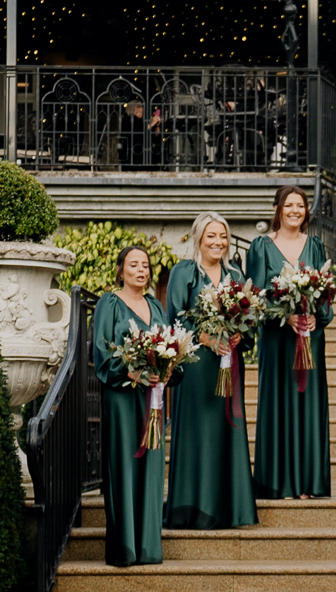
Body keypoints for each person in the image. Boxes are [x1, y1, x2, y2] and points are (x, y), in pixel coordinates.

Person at [165, 211, 259, 530]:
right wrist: (205, 337)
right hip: (196, 368)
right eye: (211, 236)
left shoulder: (235, 275)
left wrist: (238, 334)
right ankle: (194, 507)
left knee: (226, 432)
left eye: (223, 236)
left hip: (229, 364)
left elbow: (249, 322)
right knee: (197, 433)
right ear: (198, 239)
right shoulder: (184, 272)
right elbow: (175, 316)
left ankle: (229, 508)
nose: (218, 242)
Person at [246, 185, 332, 499]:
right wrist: (285, 316)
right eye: (289, 205)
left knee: (309, 406)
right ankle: (278, 482)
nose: (295, 210)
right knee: (278, 404)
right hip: (277, 340)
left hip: (310, 340)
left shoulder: (316, 245)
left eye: (300, 205)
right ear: (278, 209)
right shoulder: (260, 247)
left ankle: (309, 483)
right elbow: (253, 298)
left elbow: (325, 295)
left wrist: (315, 318)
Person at [91, 244, 170, 567]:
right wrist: (129, 370)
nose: (142, 270)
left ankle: (149, 546)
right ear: (121, 269)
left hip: (151, 397)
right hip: (122, 396)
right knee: (123, 466)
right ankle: (124, 548)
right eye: (134, 264)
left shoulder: (156, 305)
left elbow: (169, 345)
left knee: (151, 466)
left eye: (146, 265)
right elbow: (101, 351)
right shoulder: (109, 303)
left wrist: (164, 371)